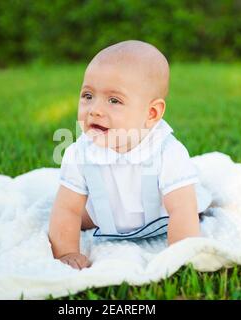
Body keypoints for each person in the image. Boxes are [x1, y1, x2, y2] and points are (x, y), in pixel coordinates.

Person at [48, 40, 212, 270]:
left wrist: (179, 256)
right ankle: (103, 218)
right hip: (107, 213)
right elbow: (67, 209)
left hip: (161, 215)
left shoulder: (167, 152)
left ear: (151, 113)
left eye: (114, 100)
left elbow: (181, 210)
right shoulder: (80, 153)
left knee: (191, 205)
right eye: (87, 96)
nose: (94, 109)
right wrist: (66, 252)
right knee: (72, 210)